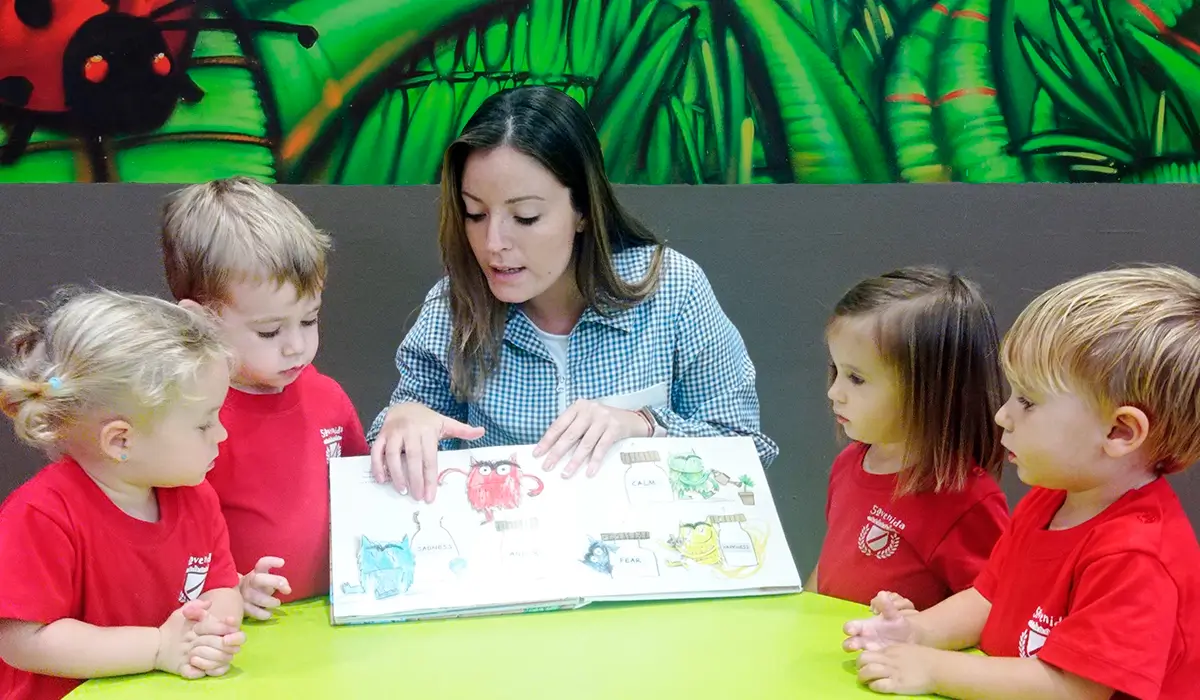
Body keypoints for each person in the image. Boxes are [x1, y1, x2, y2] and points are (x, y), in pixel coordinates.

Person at [368, 85, 777, 502]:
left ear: (583, 209)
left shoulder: (672, 290)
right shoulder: (452, 310)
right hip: (508, 558)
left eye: (525, 217)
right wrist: (405, 424)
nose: (493, 243)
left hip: (649, 554)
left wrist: (645, 424)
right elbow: (402, 462)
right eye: (475, 213)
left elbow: (746, 450)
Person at [844, 265, 1200, 700]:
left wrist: (935, 669)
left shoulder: (1137, 555)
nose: (1002, 414)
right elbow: (988, 598)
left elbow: (1075, 688)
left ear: (1120, 432)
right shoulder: (1047, 501)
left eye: (1028, 401)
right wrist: (916, 632)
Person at [0, 288, 246, 700]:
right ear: (120, 442)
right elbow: (22, 640)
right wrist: (157, 647)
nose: (222, 434)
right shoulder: (40, 516)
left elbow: (221, 586)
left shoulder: (196, 497)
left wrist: (209, 631)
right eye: (204, 423)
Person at [161, 176, 368, 618]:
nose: (296, 346)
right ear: (201, 323)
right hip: (240, 635)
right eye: (270, 331)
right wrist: (232, 587)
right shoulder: (192, 420)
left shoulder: (328, 397)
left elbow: (363, 495)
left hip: (332, 621)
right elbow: (168, 539)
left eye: (309, 319)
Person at [810, 267, 1009, 612]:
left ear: (931, 389)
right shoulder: (849, 463)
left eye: (856, 378)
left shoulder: (966, 500)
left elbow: (992, 605)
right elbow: (825, 570)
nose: (834, 392)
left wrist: (916, 630)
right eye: (836, 370)